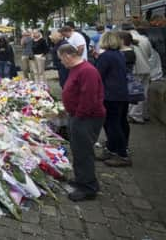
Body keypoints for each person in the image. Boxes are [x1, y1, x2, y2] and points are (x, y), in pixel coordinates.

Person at [58, 44, 106, 202]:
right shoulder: (77, 69)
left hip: (86, 118)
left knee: (84, 151)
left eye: (61, 59)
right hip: (77, 116)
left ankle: (89, 187)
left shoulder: (87, 71)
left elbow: (89, 97)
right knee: (78, 150)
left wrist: (79, 116)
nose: (61, 63)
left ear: (68, 56)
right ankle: (81, 180)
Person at [95, 32, 131, 167]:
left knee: (112, 125)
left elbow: (98, 75)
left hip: (110, 95)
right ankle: (114, 149)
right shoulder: (119, 55)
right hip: (121, 93)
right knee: (120, 123)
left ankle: (122, 154)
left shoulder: (105, 57)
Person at [122, 23, 153, 124]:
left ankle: (136, 115)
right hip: (146, 68)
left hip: (135, 69)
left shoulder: (126, 39)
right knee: (144, 92)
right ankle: (144, 114)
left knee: (134, 92)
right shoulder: (145, 39)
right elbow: (150, 54)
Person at [117, 31, 137, 151]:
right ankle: (123, 144)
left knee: (121, 119)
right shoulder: (127, 52)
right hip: (123, 87)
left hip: (122, 87)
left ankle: (123, 145)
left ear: (122, 41)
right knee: (122, 118)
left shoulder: (126, 54)